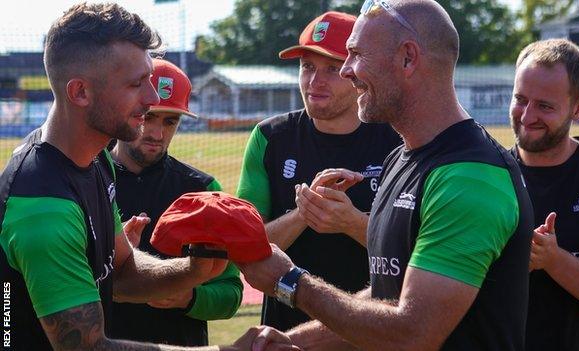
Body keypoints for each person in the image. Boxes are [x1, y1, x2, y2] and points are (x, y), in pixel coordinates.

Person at [239, 0, 534, 350]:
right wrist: (292, 342)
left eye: (355, 55)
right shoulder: (403, 157)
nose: (347, 71)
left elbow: (412, 332)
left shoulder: (469, 176)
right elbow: (385, 300)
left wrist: (290, 282)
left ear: (408, 58)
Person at [0, 3, 295, 350]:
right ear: (80, 92)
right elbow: (88, 347)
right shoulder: (44, 209)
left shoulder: (95, 160)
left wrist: (192, 272)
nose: (152, 97)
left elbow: (122, 271)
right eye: (136, 84)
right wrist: (227, 350)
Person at [236, 11, 402, 331]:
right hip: (285, 334)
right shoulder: (270, 138)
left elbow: (418, 253)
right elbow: (248, 249)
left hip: (374, 331)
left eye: (332, 68)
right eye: (307, 66)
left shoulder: (397, 141)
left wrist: (352, 222)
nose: (315, 81)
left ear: (358, 70)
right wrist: (304, 213)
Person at [109, 58, 243, 346]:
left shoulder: (203, 190)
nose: (157, 134)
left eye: (170, 121)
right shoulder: (84, 179)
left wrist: (190, 297)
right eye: (148, 117)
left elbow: (231, 292)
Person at [508, 39, 579, 350]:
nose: (527, 115)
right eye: (520, 99)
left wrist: (553, 260)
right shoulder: (489, 173)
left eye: (545, 106)